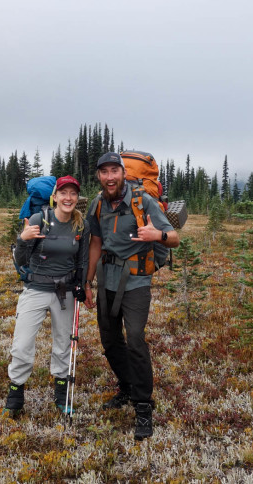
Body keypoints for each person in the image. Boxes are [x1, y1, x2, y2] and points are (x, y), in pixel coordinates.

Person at [83, 152, 179, 440]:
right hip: (107, 281)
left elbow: (174, 237)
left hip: (136, 280)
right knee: (110, 340)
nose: (109, 177)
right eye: (104, 172)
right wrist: (88, 283)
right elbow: (96, 244)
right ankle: (126, 386)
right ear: (98, 176)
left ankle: (143, 406)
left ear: (123, 173)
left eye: (115, 171)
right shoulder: (98, 204)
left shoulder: (143, 201)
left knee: (135, 339)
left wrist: (156, 236)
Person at [5, 175, 90, 416]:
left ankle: (61, 393)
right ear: (55, 196)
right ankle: (15, 394)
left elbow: (82, 260)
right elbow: (20, 260)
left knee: (63, 344)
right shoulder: (39, 219)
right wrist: (22, 240)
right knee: (22, 345)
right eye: (63, 193)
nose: (68, 198)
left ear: (77, 198)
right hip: (35, 290)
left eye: (73, 193)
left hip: (65, 293)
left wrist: (82, 284)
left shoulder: (81, 225)